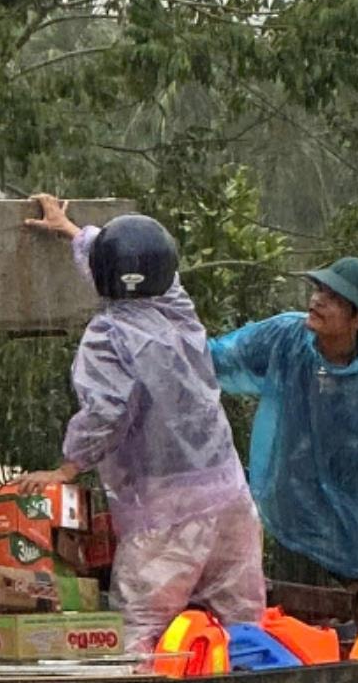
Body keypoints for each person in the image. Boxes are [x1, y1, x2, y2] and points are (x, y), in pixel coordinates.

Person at [14, 195, 266, 656]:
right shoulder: (179, 311)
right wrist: (73, 231)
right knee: (243, 629)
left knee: (139, 634)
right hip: (230, 499)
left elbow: (104, 413)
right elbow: (135, 271)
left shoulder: (107, 337)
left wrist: (67, 469)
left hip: (164, 514)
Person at [209, 257, 358, 620]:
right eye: (319, 290)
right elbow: (217, 358)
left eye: (333, 298)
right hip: (291, 527)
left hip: (357, 545)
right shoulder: (286, 339)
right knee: (292, 630)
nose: (317, 300)